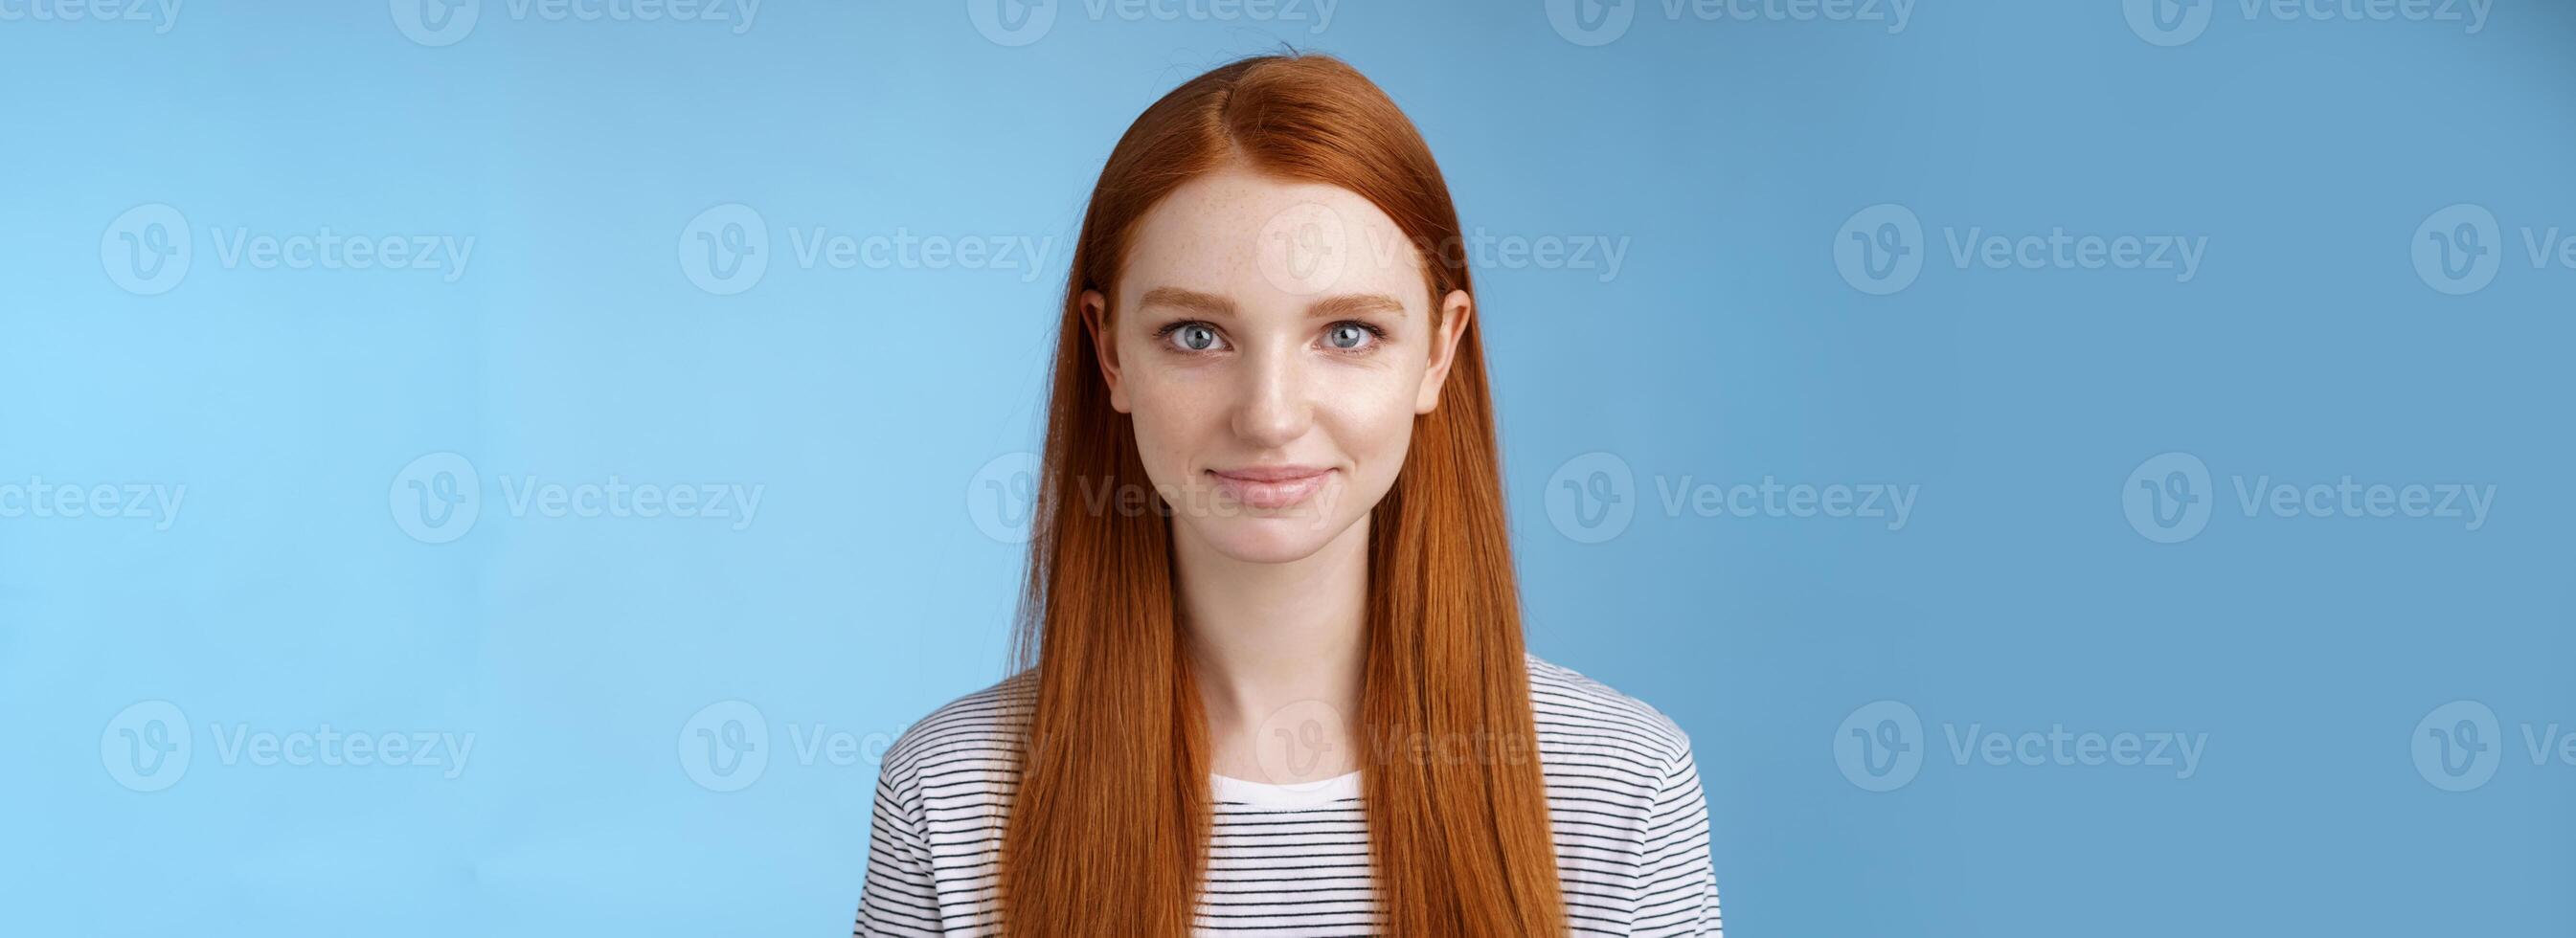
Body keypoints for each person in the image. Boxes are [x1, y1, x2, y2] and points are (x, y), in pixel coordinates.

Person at [856, 52, 1720, 938]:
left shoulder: (1621, 786)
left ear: (1437, 352)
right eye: (1196, 334)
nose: (1269, 417)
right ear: (1110, 353)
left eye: (1347, 333)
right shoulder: (950, 796)